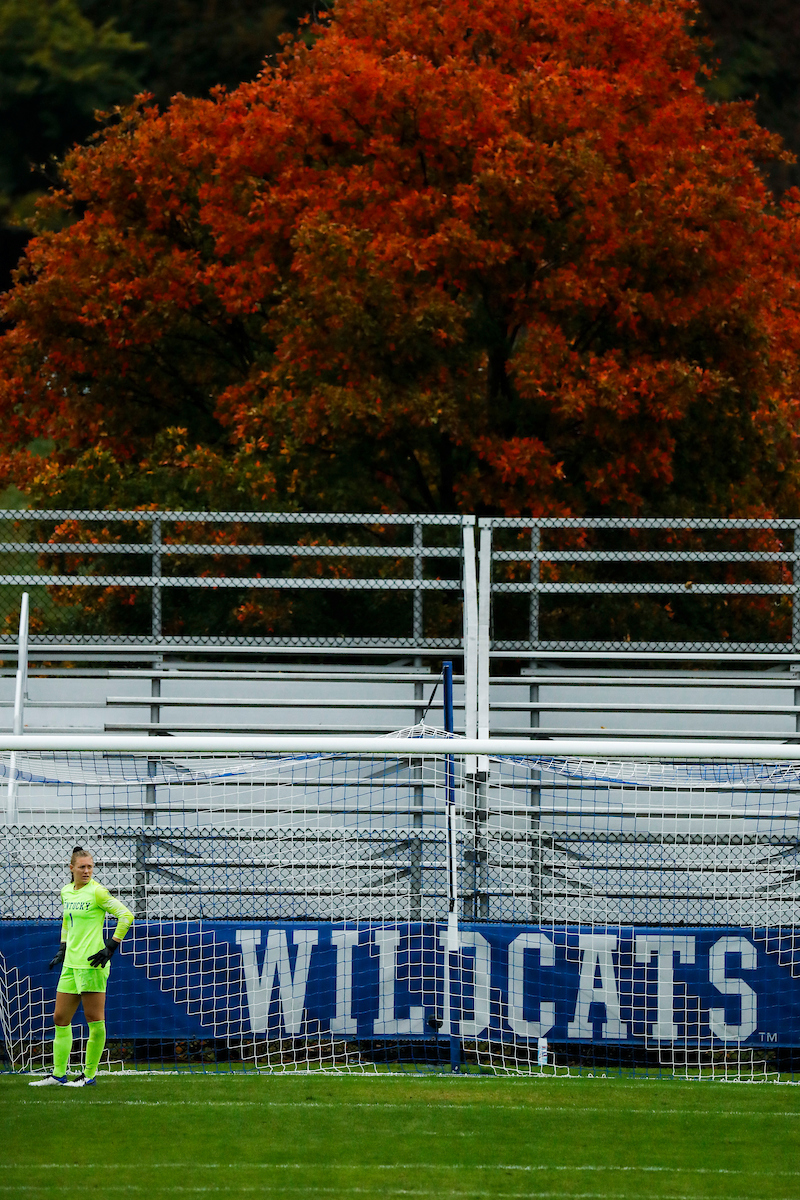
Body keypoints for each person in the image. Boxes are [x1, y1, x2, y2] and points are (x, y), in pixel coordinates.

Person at [30, 845, 133, 1087]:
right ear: (72, 868)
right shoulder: (66, 891)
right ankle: (58, 1075)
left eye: (90, 867)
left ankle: (89, 1075)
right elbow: (67, 921)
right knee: (60, 1018)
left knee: (94, 1020)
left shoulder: (98, 892)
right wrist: (63, 947)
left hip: (91, 965)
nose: (87, 871)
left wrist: (111, 946)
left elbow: (126, 915)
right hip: (70, 965)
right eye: (82, 867)